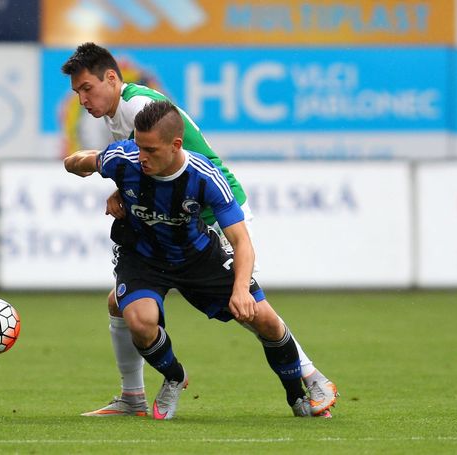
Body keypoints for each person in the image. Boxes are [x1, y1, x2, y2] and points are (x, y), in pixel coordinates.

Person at [61, 43, 337, 417]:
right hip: (174, 217)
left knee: (251, 309)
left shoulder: (138, 108)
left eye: (86, 88)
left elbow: (182, 160)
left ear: (111, 78)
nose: (82, 99)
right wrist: (119, 191)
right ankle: (132, 397)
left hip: (209, 214)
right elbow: (142, 164)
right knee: (121, 303)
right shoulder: (117, 113)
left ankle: (312, 377)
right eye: (77, 92)